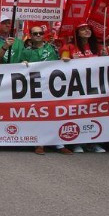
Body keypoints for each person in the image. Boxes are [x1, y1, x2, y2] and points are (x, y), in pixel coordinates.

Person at [20, 26, 69, 155]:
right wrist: (22, 64)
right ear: (30, 35)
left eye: (40, 33)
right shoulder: (26, 51)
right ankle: (39, 143)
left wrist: (65, 60)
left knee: (54, 114)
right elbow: (18, 68)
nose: (38, 35)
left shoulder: (52, 48)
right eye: (34, 33)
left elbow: (61, 60)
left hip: (52, 87)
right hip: (35, 87)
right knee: (38, 115)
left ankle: (58, 144)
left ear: (44, 34)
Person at [61, 24, 106, 153]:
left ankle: (93, 142)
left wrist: (104, 56)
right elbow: (62, 59)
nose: (86, 31)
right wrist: (69, 59)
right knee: (77, 114)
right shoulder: (69, 46)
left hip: (95, 88)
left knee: (94, 114)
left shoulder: (99, 47)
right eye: (82, 29)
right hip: (76, 88)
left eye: (88, 29)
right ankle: (75, 143)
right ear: (77, 33)